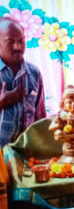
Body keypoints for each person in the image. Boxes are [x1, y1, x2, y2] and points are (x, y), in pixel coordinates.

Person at [0, 17, 46, 148]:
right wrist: (2, 102)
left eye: (21, 41)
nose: (18, 47)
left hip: (26, 154)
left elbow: (40, 116)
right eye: (10, 42)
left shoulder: (34, 73)